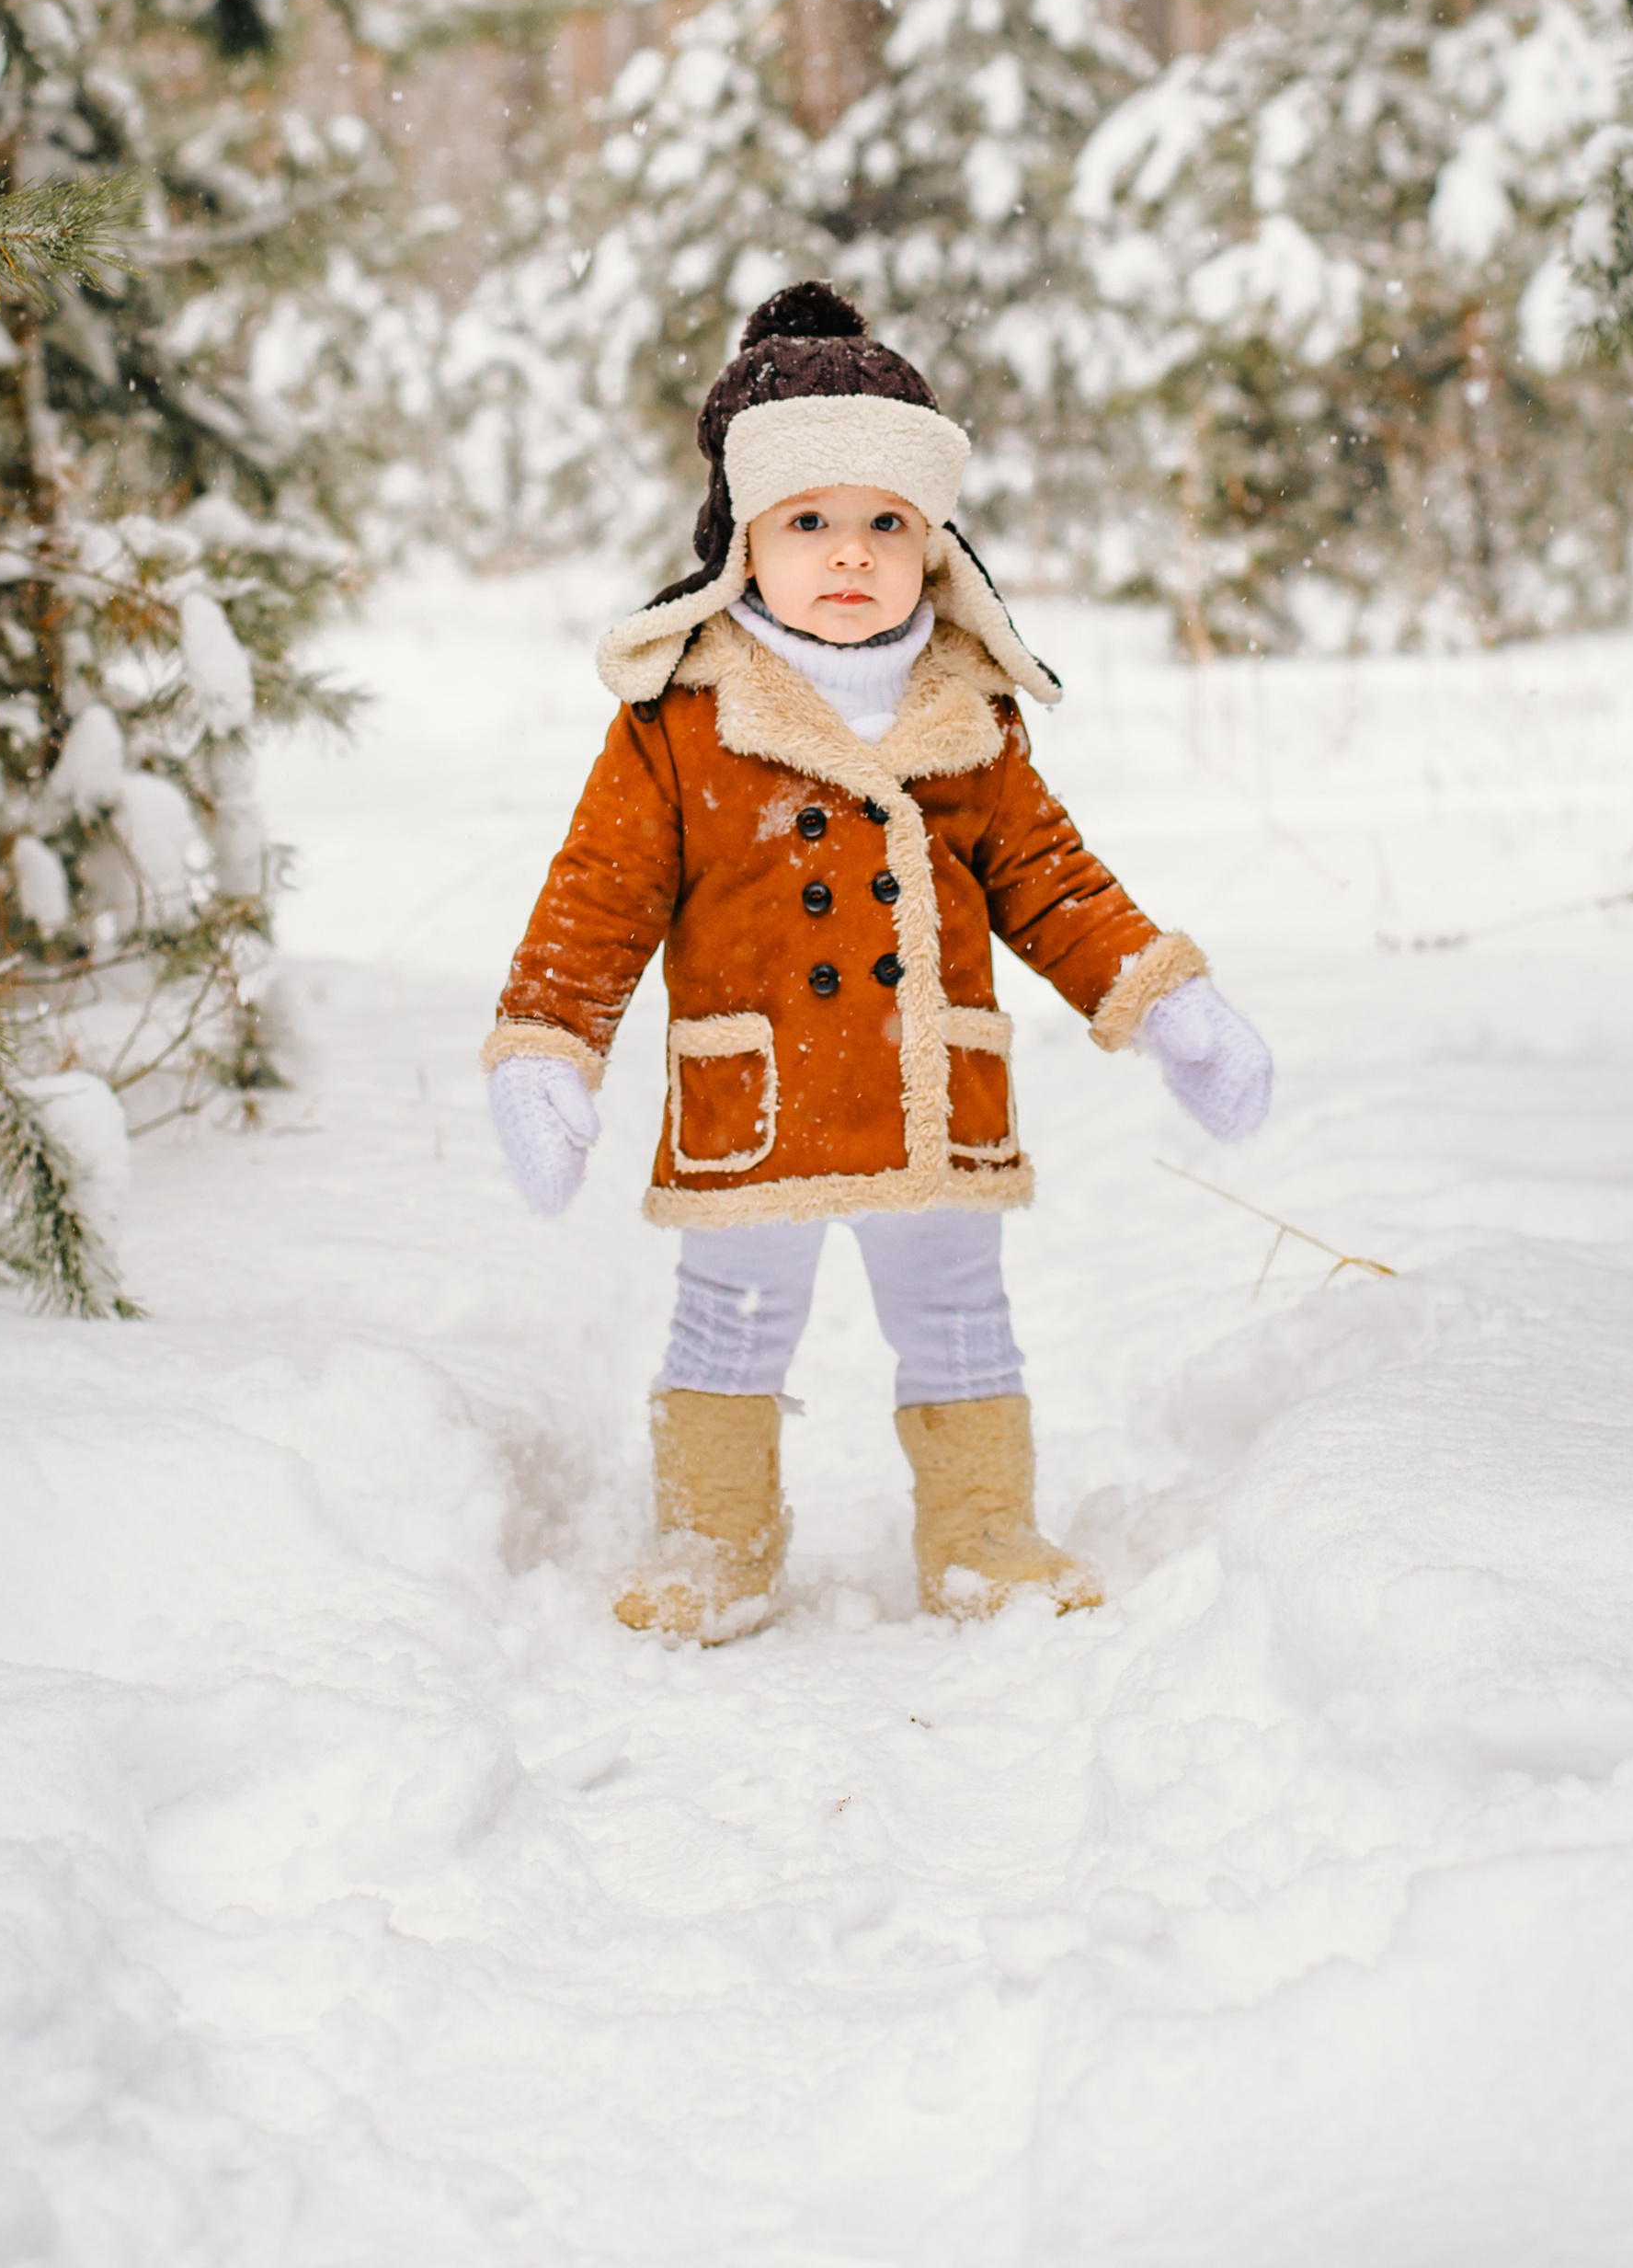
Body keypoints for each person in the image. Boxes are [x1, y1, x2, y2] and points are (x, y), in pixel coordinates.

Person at [484, 282, 1273, 1642]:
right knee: (730, 1315)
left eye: (886, 525)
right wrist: (549, 1038)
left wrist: (1160, 995)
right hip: (762, 1100)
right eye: (809, 523)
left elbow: (1051, 878)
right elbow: (600, 894)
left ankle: (983, 1530)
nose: (849, 556)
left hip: (929, 1096)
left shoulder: (965, 709)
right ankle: (714, 1536)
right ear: (744, 541)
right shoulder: (680, 716)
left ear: (933, 542)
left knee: (960, 1315)